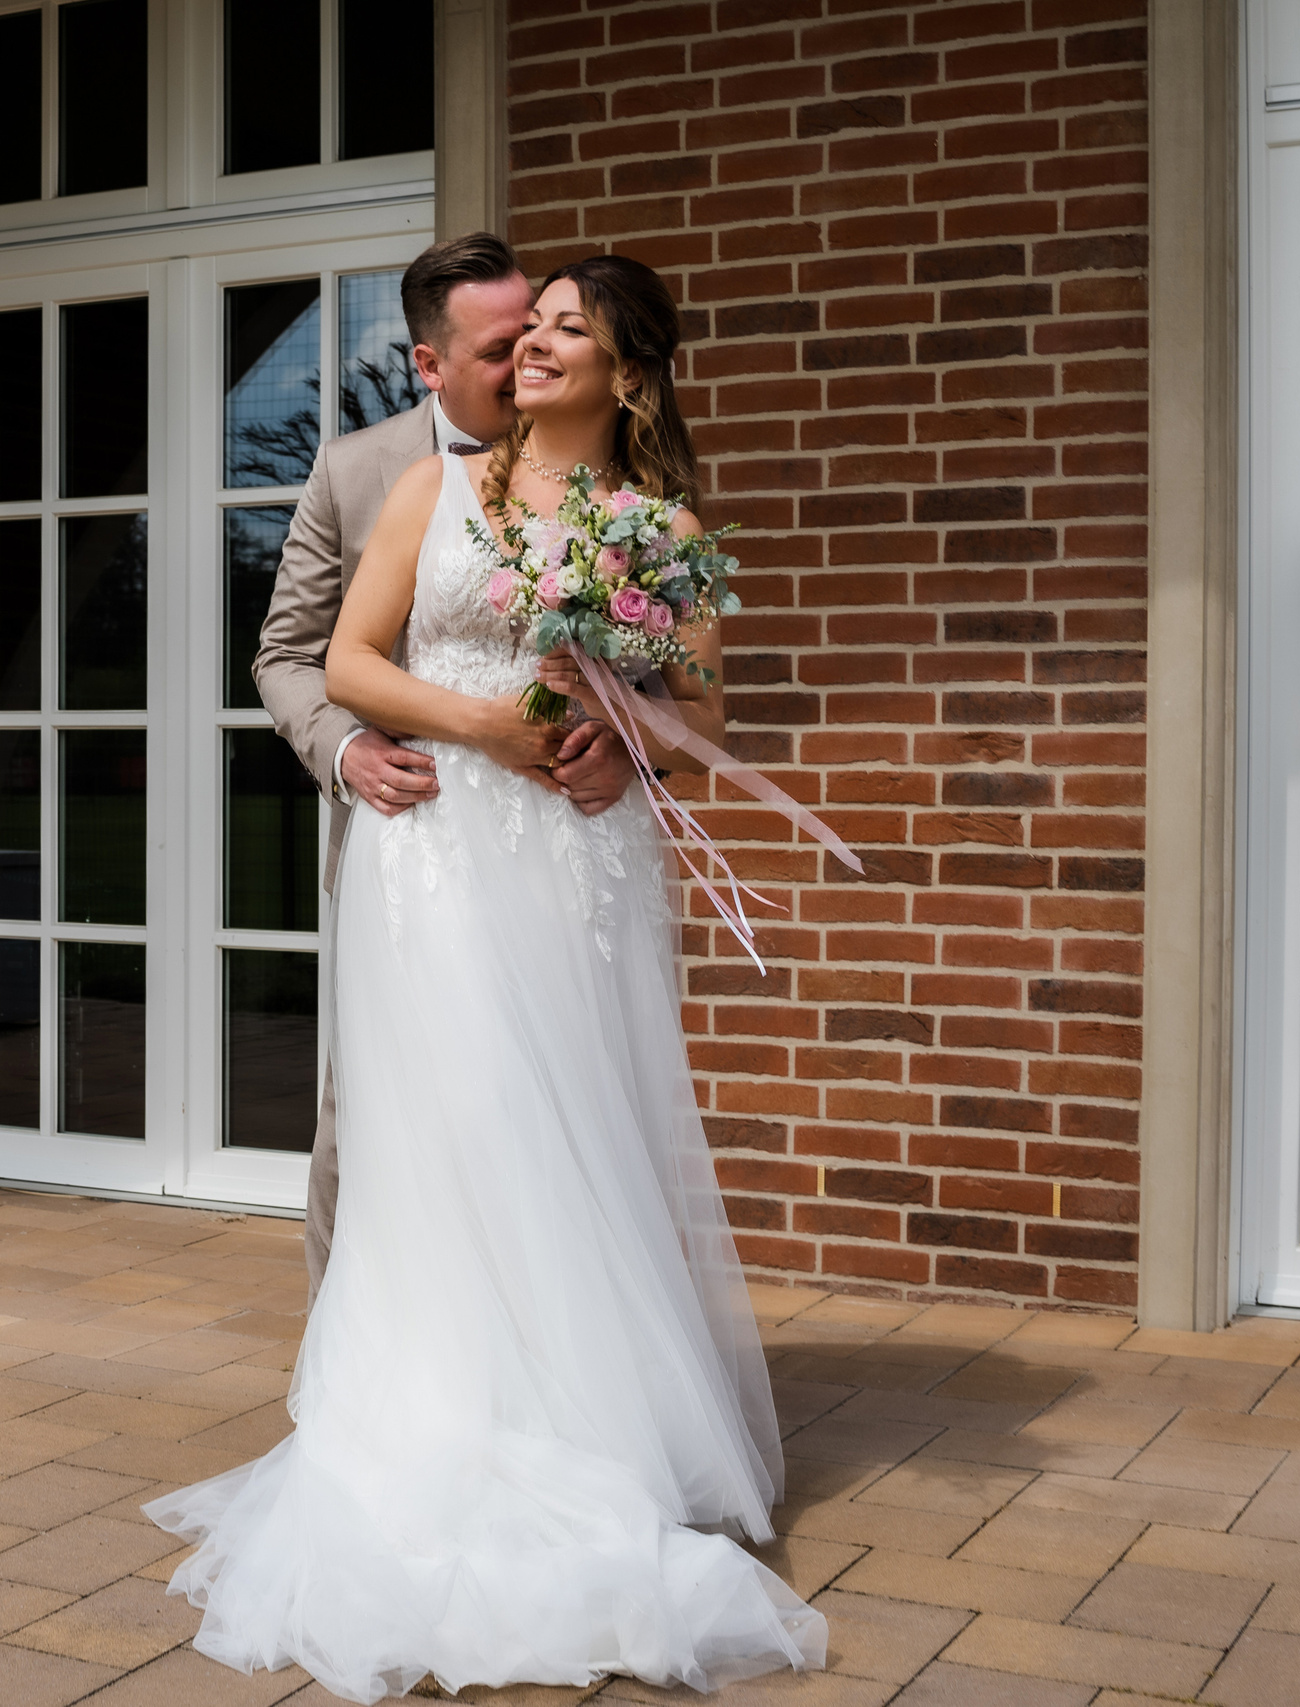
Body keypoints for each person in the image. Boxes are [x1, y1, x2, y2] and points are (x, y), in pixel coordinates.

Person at [149, 255, 828, 1702]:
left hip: (575, 871)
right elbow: (348, 656)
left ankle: (581, 1431)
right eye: (529, 330)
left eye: (566, 331)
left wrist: (613, 727)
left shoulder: (658, 527)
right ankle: (432, 1425)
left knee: (567, 1129)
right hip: (437, 857)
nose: (534, 349)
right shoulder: (427, 488)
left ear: (627, 376)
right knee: (449, 1133)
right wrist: (487, 725)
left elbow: (696, 699)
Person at [254, 231, 638, 1307]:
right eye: (501, 345)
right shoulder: (362, 470)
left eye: (544, 332)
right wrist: (346, 746)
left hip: (557, 854)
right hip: (415, 843)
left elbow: (650, 660)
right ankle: (351, 1378)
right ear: (427, 364)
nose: (528, 359)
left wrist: (626, 742)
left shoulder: (608, 475)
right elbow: (289, 656)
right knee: (376, 1118)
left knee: (549, 1110)